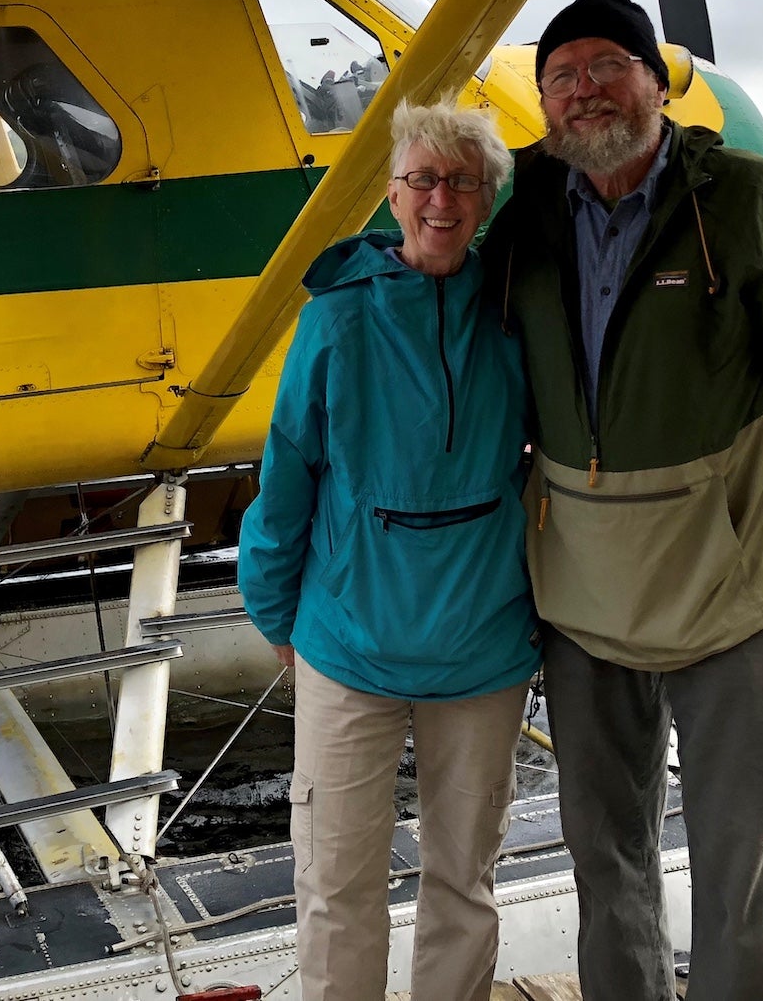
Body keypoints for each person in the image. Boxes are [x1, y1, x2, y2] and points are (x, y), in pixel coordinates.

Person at [484, 0, 763, 1001]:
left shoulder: (752, 203)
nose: (583, 91)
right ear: (539, 100)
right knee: (605, 864)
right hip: (582, 605)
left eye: (604, 67)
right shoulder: (521, 207)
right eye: (560, 75)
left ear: (653, 82)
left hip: (741, 599)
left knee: (744, 868)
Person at [239, 100, 541, 1001]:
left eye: (462, 183)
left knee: (465, 882)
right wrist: (275, 610)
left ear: (487, 200)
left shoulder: (520, 314)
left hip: (483, 651)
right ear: (391, 194)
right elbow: (287, 472)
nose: (440, 201)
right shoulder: (335, 319)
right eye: (422, 180)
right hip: (349, 648)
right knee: (336, 886)